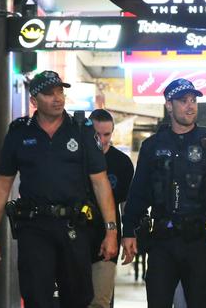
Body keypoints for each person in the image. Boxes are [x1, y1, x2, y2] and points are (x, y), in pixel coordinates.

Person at [0, 70, 119, 308]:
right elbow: (2, 184)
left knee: (77, 298)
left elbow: (100, 182)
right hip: (34, 227)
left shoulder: (81, 129)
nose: (58, 98)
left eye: (60, 91)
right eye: (49, 93)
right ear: (34, 100)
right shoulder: (19, 132)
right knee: (36, 297)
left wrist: (111, 231)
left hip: (74, 226)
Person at [121, 78, 206, 308]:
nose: (190, 105)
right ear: (169, 105)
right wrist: (129, 230)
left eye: (193, 100)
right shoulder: (153, 145)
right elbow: (139, 191)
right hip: (163, 241)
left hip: (200, 241)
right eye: (183, 101)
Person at [88, 109, 135, 308]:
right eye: (97, 134)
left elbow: (126, 203)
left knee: (100, 301)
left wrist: (129, 234)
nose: (102, 139)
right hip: (75, 238)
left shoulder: (122, 163)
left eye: (106, 134)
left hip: (107, 237)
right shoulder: (75, 157)